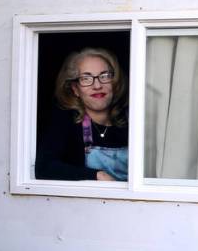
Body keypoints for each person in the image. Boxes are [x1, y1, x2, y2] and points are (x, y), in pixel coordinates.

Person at [35, 48, 129, 181]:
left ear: (115, 82)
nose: (97, 85)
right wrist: (97, 176)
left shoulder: (131, 121)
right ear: (75, 89)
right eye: (86, 78)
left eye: (104, 76)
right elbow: (44, 168)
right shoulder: (65, 122)